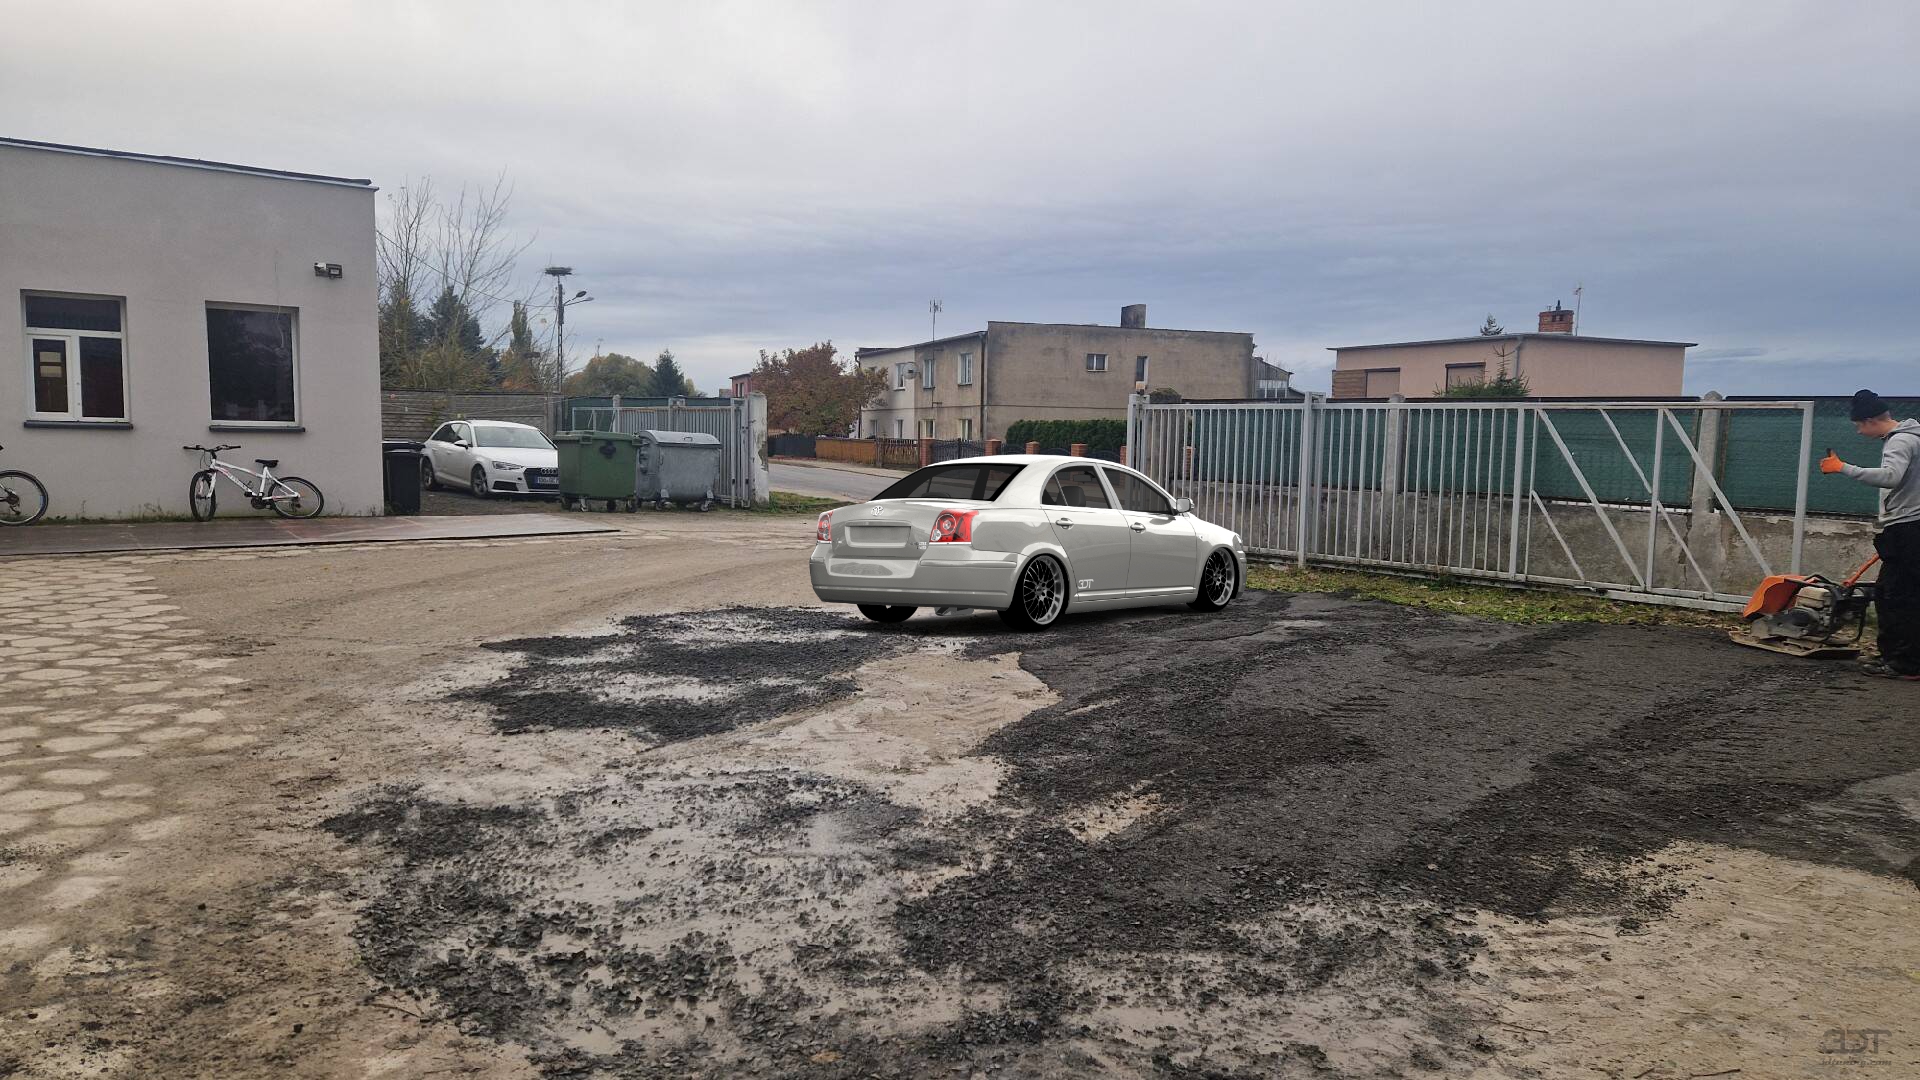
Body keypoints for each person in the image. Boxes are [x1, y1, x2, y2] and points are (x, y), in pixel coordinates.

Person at [1820, 389, 1920, 678]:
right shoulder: (1914, 437)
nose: (1859, 432)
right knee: (1893, 593)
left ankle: (1906, 664)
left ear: (1870, 420)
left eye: (1858, 426)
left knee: (1898, 596)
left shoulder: (1900, 441)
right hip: (1909, 526)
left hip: (1908, 526)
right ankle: (1895, 657)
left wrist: (1843, 468)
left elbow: (1891, 477)